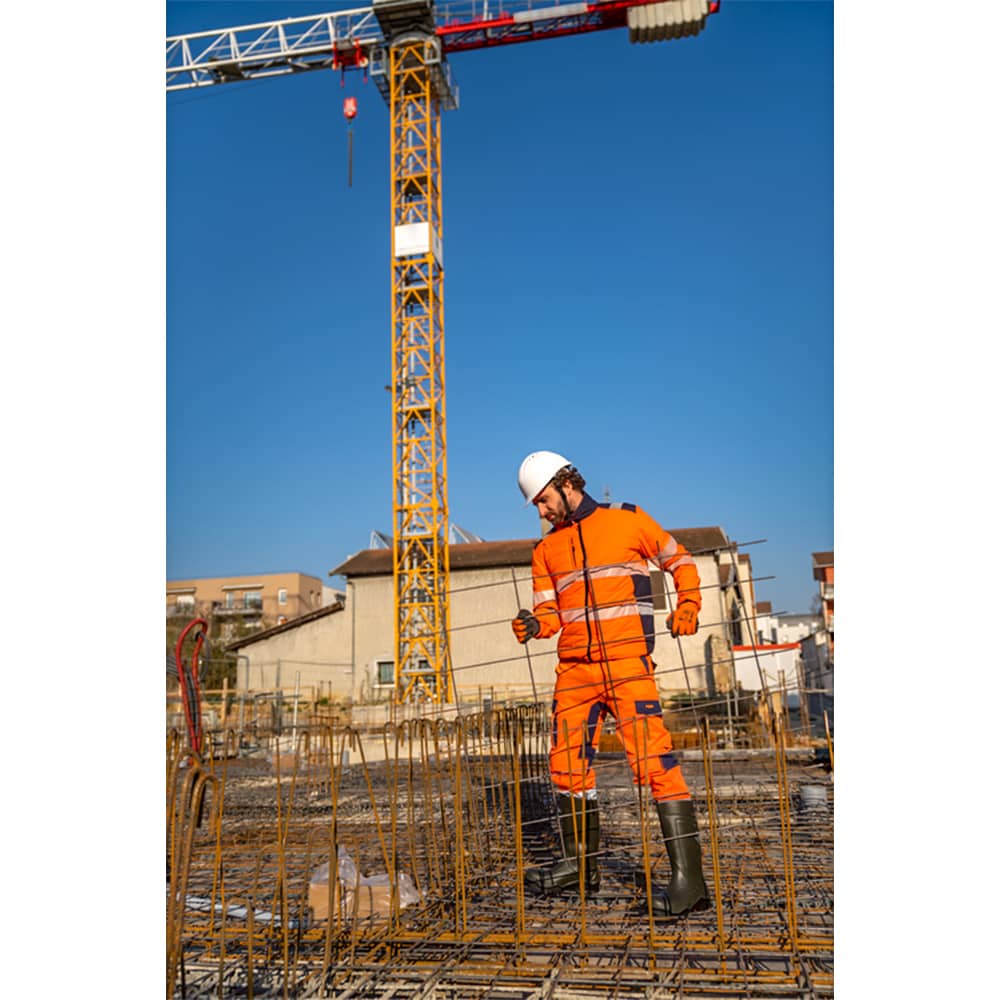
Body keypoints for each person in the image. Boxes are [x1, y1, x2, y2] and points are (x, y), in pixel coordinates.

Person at [511, 450, 709, 917]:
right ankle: (581, 867)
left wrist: (689, 605)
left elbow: (681, 562)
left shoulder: (628, 524)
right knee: (565, 765)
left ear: (565, 484)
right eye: (536, 506)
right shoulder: (545, 551)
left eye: (543, 501)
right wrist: (535, 625)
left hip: (627, 666)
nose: (541, 512)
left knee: (654, 763)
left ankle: (690, 882)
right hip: (575, 671)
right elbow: (549, 611)